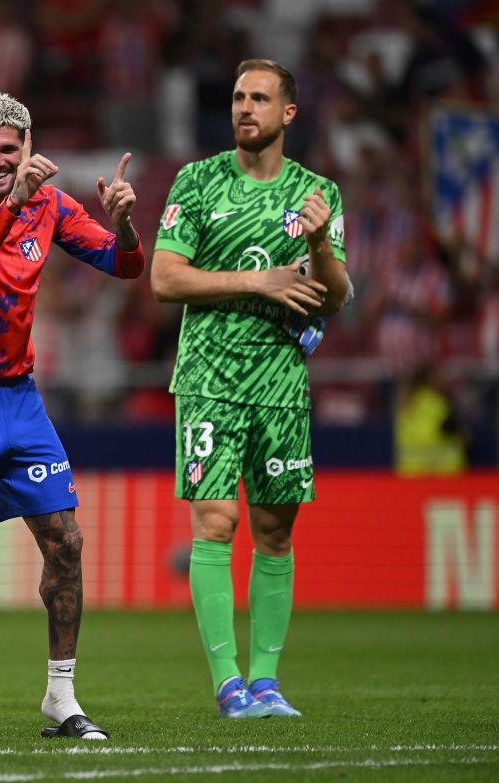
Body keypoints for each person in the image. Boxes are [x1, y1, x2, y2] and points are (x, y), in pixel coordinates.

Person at [0, 93, 145, 743]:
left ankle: (61, 698)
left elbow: (124, 265)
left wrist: (124, 223)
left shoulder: (52, 204)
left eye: (8, 151)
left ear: (27, 149)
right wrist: (12, 205)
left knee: (66, 542)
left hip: (18, 397)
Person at [151, 59, 350, 718]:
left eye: (260, 98)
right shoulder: (199, 181)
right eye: (238, 97)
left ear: (288, 112)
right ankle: (228, 683)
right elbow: (166, 278)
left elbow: (338, 296)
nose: (245, 108)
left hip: (281, 380)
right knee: (216, 521)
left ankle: (267, 681)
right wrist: (254, 281)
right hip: (208, 374)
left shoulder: (318, 192)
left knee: (275, 532)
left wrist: (320, 245)